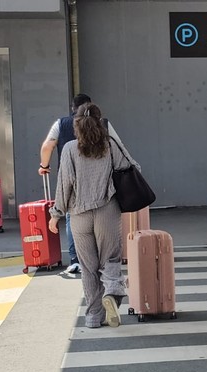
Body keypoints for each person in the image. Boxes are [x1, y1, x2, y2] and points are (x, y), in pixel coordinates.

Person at [48, 103, 137, 328]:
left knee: (88, 267)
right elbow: (131, 166)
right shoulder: (109, 145)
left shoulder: (69, 149)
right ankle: (113, 294)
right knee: (110, 259)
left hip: (79, 215)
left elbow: (64, 185)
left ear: (76, 125)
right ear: (100, 122)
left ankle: (93, 317)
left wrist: (56, 214)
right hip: (107, 210)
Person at [40, 93, 124, 276]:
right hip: (105, 199)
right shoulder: (106, 127)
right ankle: (111, 286)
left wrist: (44, 166)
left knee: (87, 262)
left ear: (73, 108)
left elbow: (47, 147)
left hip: (77, 201)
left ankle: (75, 261)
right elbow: (124, 159)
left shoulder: (62, 127)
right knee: (109, 255)